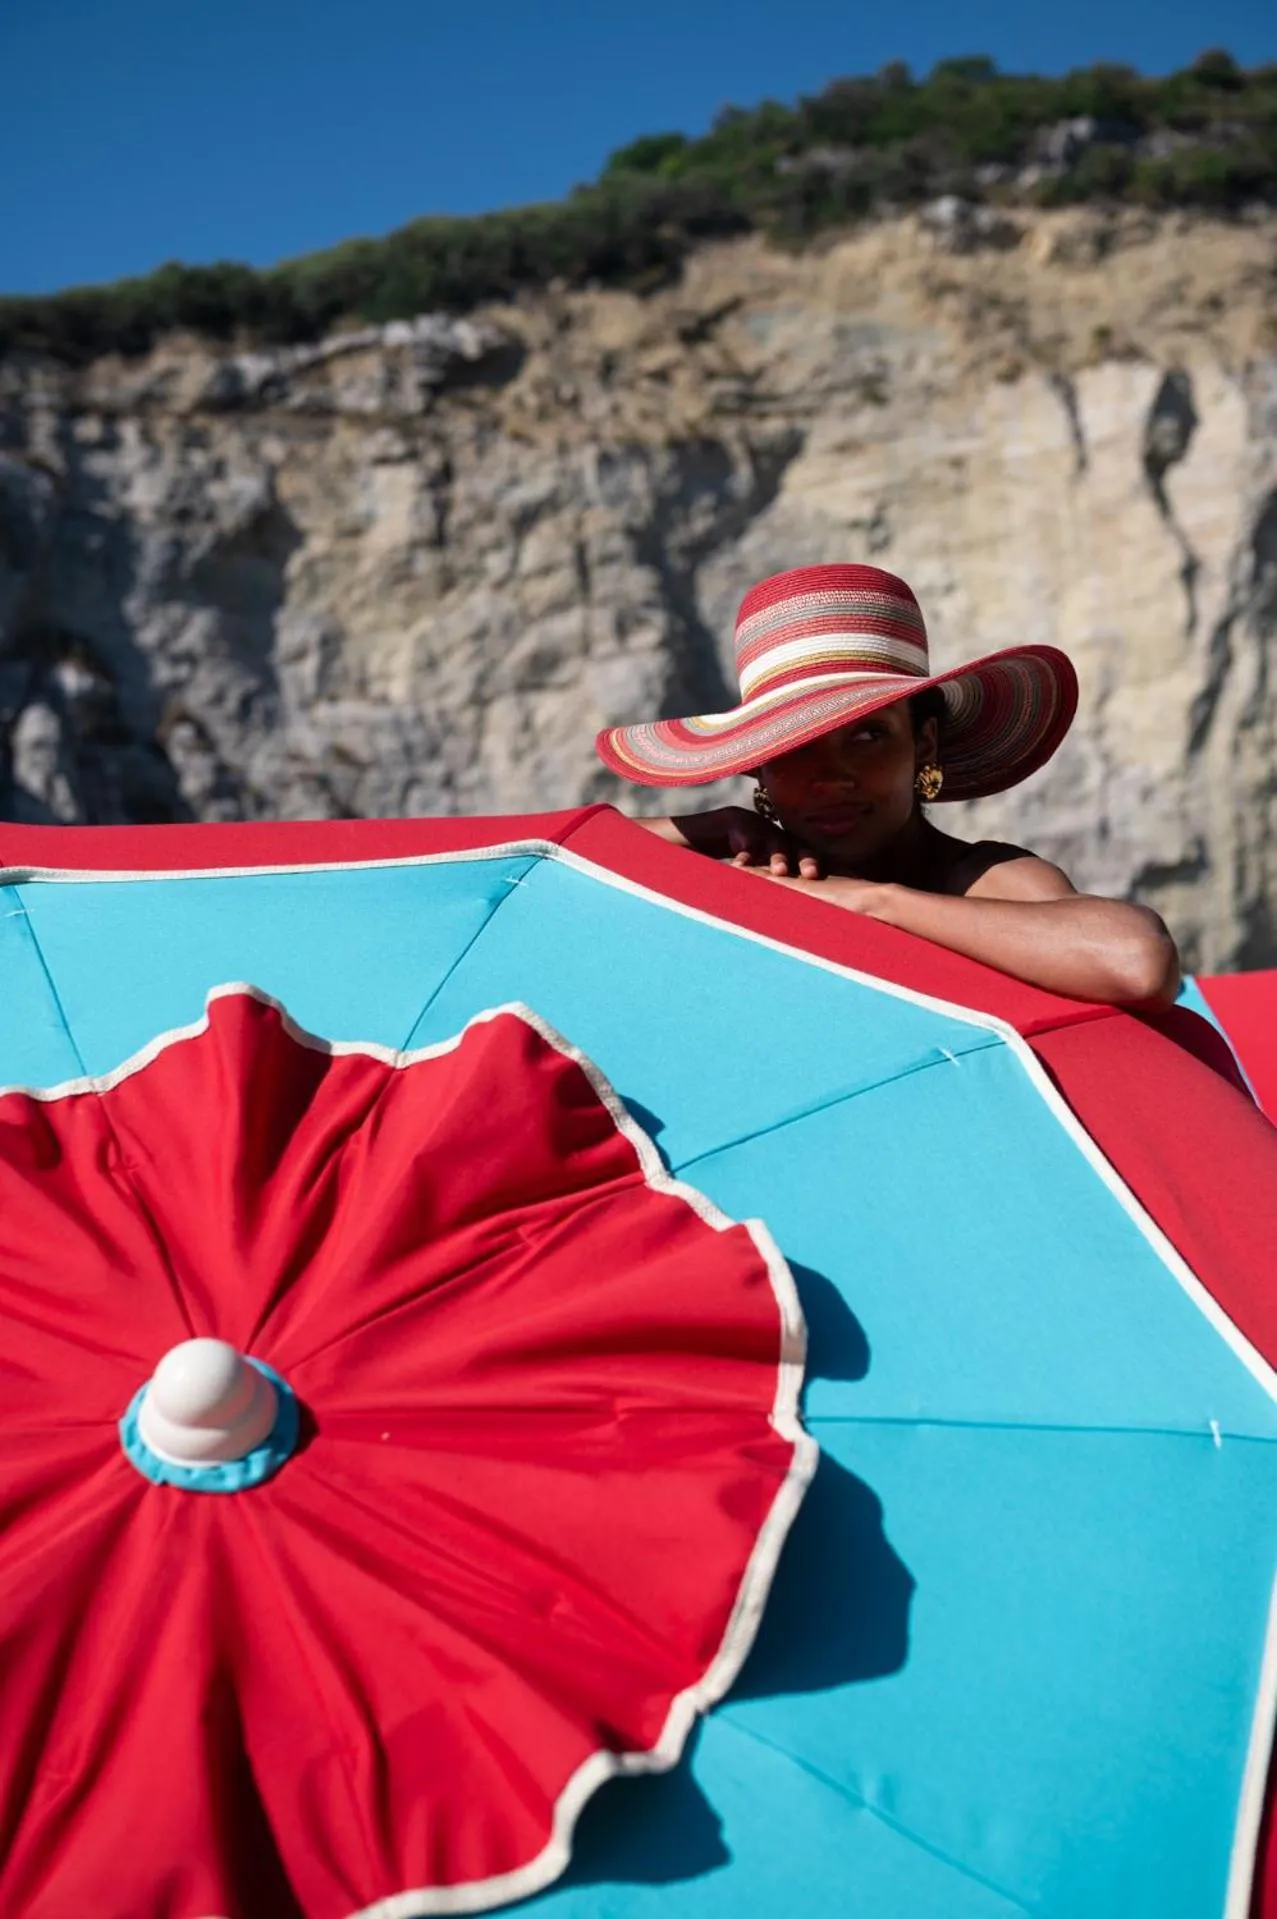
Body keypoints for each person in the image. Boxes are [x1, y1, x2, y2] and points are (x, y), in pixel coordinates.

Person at [595, 563, 1180, 1008]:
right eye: (795, 746)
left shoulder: (974, 880)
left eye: (867, 736)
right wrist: (704, 829)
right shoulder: (737, 867)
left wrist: (871, 902)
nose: (831, 777)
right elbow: (528, 863)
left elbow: (1138, 960)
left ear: (922, 746)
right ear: (757, 765)